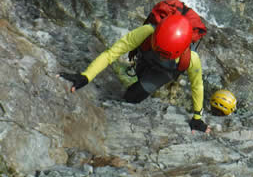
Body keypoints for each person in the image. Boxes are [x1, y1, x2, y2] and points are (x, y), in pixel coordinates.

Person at [60, 14, 210, 134]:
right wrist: (86, 76)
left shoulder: (191, 59)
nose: (161, 56)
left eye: (165, 55)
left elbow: (197, 86)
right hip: (145, 58)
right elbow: (112, 53)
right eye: (159, 51)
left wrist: (197, 117)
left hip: (163, 72)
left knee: (132, 96)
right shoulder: (146, 32)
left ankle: (137, 88)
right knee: (137, 79)